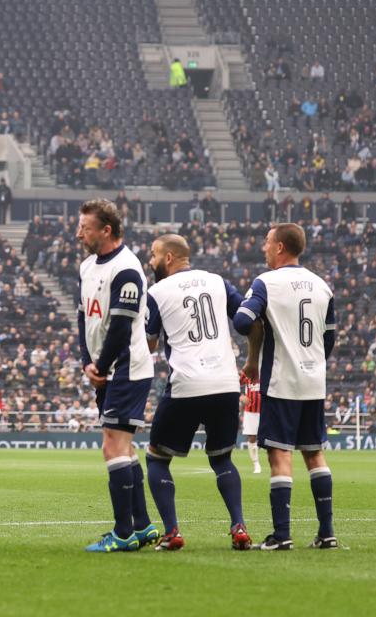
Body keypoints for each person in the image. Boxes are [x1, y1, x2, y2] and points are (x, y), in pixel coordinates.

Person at [143, 234, 254, 551]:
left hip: (187, 384)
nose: (150, 262)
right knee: (222, 459)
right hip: (225, 382)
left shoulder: (157, 291)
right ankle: (239, 526)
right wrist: (253, 360)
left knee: (157, 458)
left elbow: (149, 345)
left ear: (168, 258)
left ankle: (172, 532)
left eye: (153, 255)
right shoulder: (217, 281)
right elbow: (248, 320)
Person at [234, 223, 338, 550]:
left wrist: (260, 324)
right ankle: (327, 533)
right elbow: (329, 338)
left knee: (280, 456)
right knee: (315, 454)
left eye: (267, 242)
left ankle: (281, 535)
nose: (263, 247)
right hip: (313, 381)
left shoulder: (266, 282)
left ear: (280, 247)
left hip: (282, 380)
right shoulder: (322, 286)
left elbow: (241, 321)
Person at [76, 199, 157, 552]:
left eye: (85, 227)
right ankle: (142, 526)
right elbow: (84, 317)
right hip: (105, 369)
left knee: (113, 446)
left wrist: (100, 364)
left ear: (106, 230)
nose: (79, 233)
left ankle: (123, 533)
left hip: (127, 367)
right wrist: (86, 360)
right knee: (124, 447)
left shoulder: (126, 269)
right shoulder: (87, 267)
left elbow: (121, 327)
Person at [241, 373, 262, 474]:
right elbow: (233, 383)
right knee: (252, 437)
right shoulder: (248, 372)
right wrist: (240, 396)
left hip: (268, 410)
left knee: (274, 437)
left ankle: (277, 462)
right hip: (251, 411)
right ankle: (256, 464)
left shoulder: (269, 368)